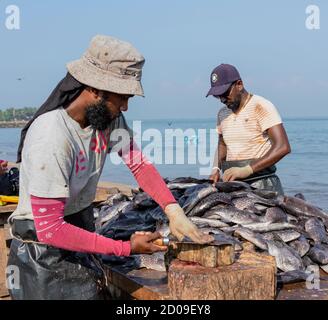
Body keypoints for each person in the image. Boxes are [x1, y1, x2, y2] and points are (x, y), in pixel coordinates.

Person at [7, 35, 212, 300]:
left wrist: (173, 210)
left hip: (79, 232)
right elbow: (51, 229)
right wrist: (125, 248)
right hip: (41, 255)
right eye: (122, 97)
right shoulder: (51, 136)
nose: (125, 106)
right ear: (95, 89)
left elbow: (138, 164)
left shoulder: (108, 120)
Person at [207, 64, 291, 194]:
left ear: (239, 84)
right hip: (233, 186)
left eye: (224, 93)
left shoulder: (261, 106)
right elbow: (223, 143)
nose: (222, 99)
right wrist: (216, 169)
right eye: (217, 96)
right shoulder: (222, 114)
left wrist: (246, 170)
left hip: (261, 184)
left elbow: (283, 147)